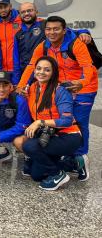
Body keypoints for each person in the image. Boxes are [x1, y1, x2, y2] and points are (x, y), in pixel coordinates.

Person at [17, 16, 96, 181]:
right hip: (62, 88)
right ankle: (61, 155)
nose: (51, 32)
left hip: (84, 88)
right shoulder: (43, 45)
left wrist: (82, 83)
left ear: (64, 30)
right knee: (60, 120)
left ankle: (80, 158)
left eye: (56, 29)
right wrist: (21, 85)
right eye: (48, 29)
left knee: (79, 123)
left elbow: (88, 68)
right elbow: (32, 65)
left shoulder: (76, 45)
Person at [22, 56, 83, 191]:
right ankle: (74, 163)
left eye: (47, 70)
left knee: (29, 147)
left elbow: (66, 121)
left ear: (53, 72)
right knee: (36, 175)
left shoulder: (60, 90)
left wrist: (40, 122)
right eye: (38, 69)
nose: (41, 72)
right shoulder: (32, 88)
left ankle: (58, 174)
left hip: (68, 136)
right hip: (48, 135)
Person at [11, 2, 45, 85]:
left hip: (44, 73)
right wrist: (16, 81)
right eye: (23, 12)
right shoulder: (18, 34)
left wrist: (82, 32)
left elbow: (66, 31)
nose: (26, 14)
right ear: (19, 15)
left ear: (36, 11)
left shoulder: (45, 26)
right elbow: (16, 59)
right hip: (26, 74)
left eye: (29, 10)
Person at [0, 0, 22, 72]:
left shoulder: (21, 18)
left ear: (10, 6)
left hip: (19, 67)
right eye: (0, 7)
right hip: (2, 68)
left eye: (5, 6)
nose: (3, 10)